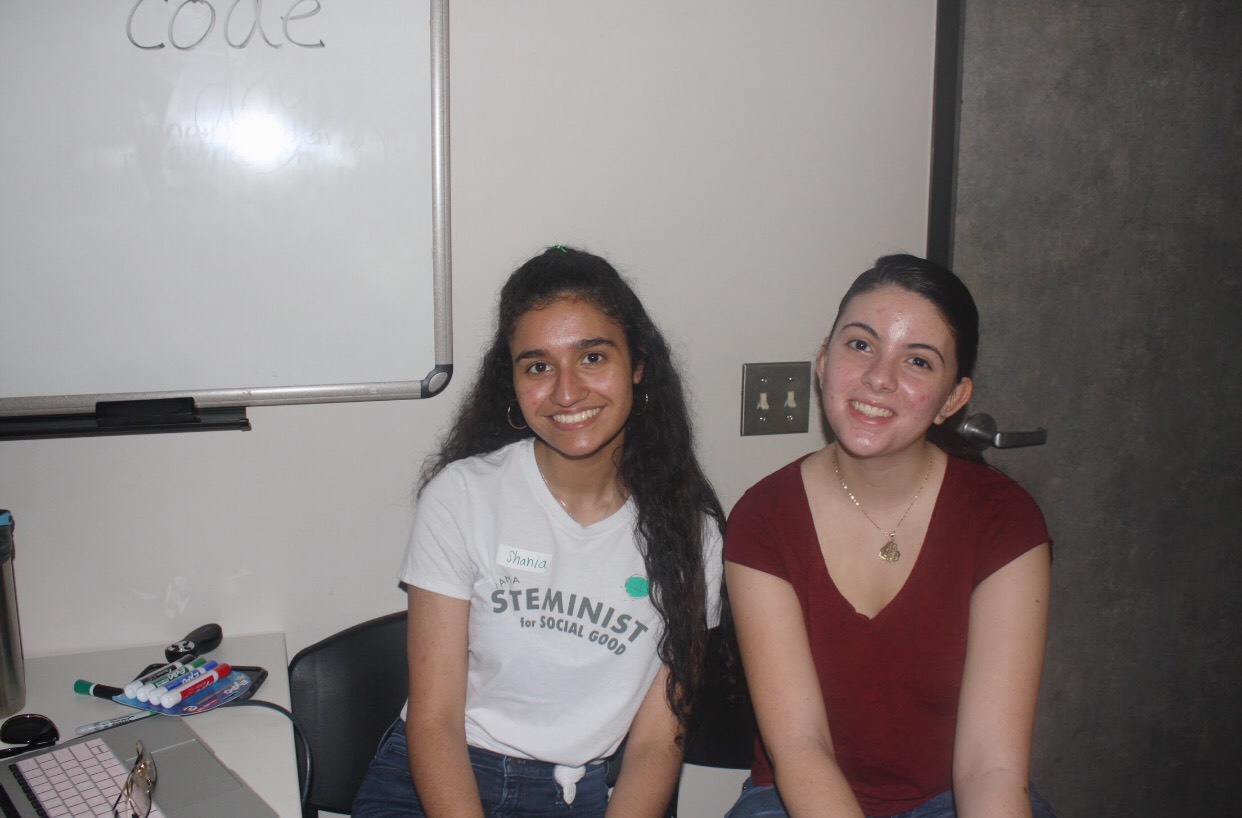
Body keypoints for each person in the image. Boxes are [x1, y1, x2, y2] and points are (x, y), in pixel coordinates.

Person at [352, 246, 726, 817]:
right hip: (440, 778)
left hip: (573, 795)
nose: (567, 392)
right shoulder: (461, 497)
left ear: (638, 365)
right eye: (538, 366)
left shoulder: (693, 537)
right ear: (513, 381)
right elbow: (435, 722)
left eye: (592, 357)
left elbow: (658, 742)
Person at [724, 254, 1055, 818]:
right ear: (823, 361)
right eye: (860, 345)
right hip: (796, 796)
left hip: (951, 799)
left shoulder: (1004, 521)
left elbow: (991, 767)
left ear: (953, 399)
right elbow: (800, 747)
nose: (879, 377)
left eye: (918, 361)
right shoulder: (763, 518)